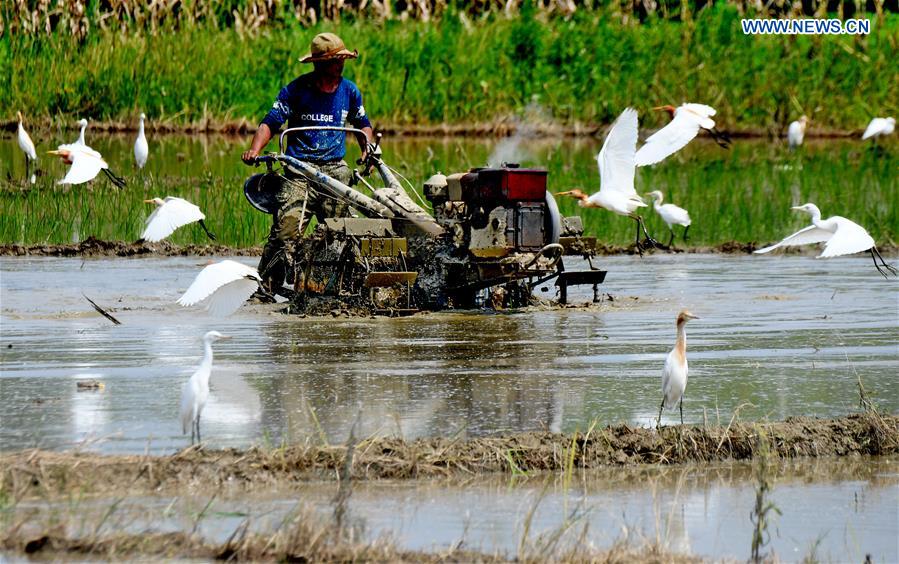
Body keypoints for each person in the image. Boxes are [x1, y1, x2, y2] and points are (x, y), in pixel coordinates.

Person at [242, 32, 373, 294]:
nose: (341, 65)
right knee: (285, 233)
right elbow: (271, 122)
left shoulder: (350, 91)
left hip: (335, 171)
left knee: (345, 232)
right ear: (320, 64)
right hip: (299, 170)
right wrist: (255, 150)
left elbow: (363, 125)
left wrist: (367, 150)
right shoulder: (296, 90)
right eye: (335, 60)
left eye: (342, 60)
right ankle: (266, 290)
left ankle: (351, 287)